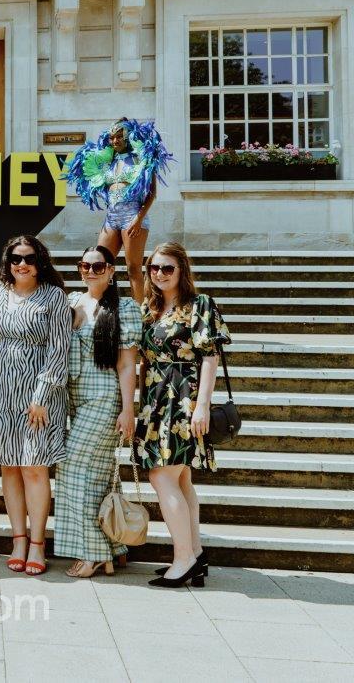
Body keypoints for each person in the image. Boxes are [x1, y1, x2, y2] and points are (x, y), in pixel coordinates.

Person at [0, 235, 70, 576]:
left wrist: (41, 396)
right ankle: (18, 539)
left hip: (37, 394)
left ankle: (38, 543)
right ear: (7, 261)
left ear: (40, 261)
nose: (21, 264)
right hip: (0, 390)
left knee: (34, 466)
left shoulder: (54, 296)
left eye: (28, 257)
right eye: (15, 258)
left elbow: (59, 350)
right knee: (8, 466)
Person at [138, 241, 230, 588]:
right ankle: (195, 553)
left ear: (182, 271)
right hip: (155, 398)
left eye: (167, 268)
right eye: (154, 268)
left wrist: (203, 404)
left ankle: (183, 559)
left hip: (183, 397)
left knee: (161, 477)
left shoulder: (199, 305)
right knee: (181, 480)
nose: (159, 274)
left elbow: (209, 356)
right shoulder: (151, 308)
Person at [53, 245, 142, 578]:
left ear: (111, 270)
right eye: (84, 265)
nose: (90, 271)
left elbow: (127, 363)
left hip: (105, 399)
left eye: (98, 266)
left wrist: (128, 409)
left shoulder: (125, 308)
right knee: (97, 475)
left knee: (72, 466)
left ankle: (91, 553)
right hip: (75, 399)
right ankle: (110, 549)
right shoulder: (74, 302)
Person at [64, 118, 172, 302]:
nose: (115, 141)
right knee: (100, 263)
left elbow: (152, 193)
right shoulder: (108, 161)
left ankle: (139, 314)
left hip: (133, 216)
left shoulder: (142, 157)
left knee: (133, 268)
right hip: (111, 218)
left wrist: (138, 219)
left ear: (129, 137)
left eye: (119, 137)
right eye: (112, 137)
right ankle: (103, 307)